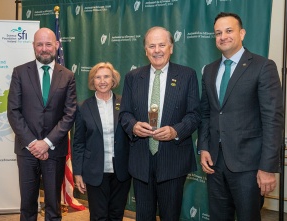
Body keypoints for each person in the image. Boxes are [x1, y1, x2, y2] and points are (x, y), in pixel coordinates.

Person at [198, 12, 284, 221]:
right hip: (215, 165)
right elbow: (206, 114)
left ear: (242, 33)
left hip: (249, 167)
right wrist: (204, 147)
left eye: (229, 31)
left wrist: (267, 167)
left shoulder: (263, 66)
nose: (223, 36)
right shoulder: (209, 71)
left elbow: (273, 119)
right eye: (218, 33)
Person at [119, 26, 201, 220]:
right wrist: (133, 126)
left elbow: (194, 115)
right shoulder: (132, 77)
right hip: (141, 160)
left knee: (170, 216)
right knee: (144, 216)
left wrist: (175, 131)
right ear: (145, 50)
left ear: (171, 48)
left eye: (162, 45)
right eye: (152, 46)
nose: (157, 50)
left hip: (173, 159)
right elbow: (125, 113)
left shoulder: (187, 75)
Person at [7, 27, 77, 221]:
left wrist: (46, 142)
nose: (44, 49)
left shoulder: (68, 76)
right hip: (26, 150)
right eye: (40, 44)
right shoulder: (20, 72)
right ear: (33, 47)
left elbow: (69, 114)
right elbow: (13, 111)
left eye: (48, 44)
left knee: (53, 207)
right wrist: (33, 143)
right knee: (27, 205)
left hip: (55, 150)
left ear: (56, 45)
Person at [72, 62, 131, 221]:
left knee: (116, 214)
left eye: (106, 76)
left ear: (113, 80)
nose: (102, 81)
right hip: (95, 170)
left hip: (121, 170)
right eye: (98, 77)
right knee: (98, 216)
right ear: (92, 81)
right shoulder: (83, 107)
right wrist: (77, 172)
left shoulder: (125, 103)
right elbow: (78, 142)